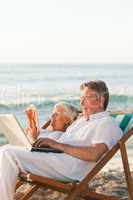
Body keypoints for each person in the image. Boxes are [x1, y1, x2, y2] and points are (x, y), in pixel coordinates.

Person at [0, 80, 122, 200]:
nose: (82, 102)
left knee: (8, 153)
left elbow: (94, 154)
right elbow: (63, 138)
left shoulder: (107, 123)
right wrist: (41, 140)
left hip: (69, 166)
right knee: (7, 150)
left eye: (87, 97)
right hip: (57, 158)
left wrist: (57, 145)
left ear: (101, 100)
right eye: (81, 97)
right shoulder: (83, 121)